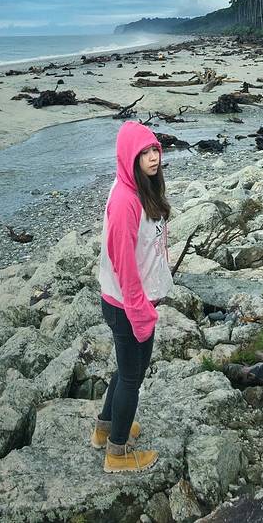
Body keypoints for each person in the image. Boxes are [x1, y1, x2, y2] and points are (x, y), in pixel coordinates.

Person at [91, 120, 173, 473]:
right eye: (144, 153)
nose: (154, 157)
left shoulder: (138, 186)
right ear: (129, 156)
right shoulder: (125, 200)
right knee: (131, 378)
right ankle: (117, 452)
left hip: (130, 301)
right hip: (127, 305)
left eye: (155, 149)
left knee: (126, 371)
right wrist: (140, 312)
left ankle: (105, 429)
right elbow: (123, 264)